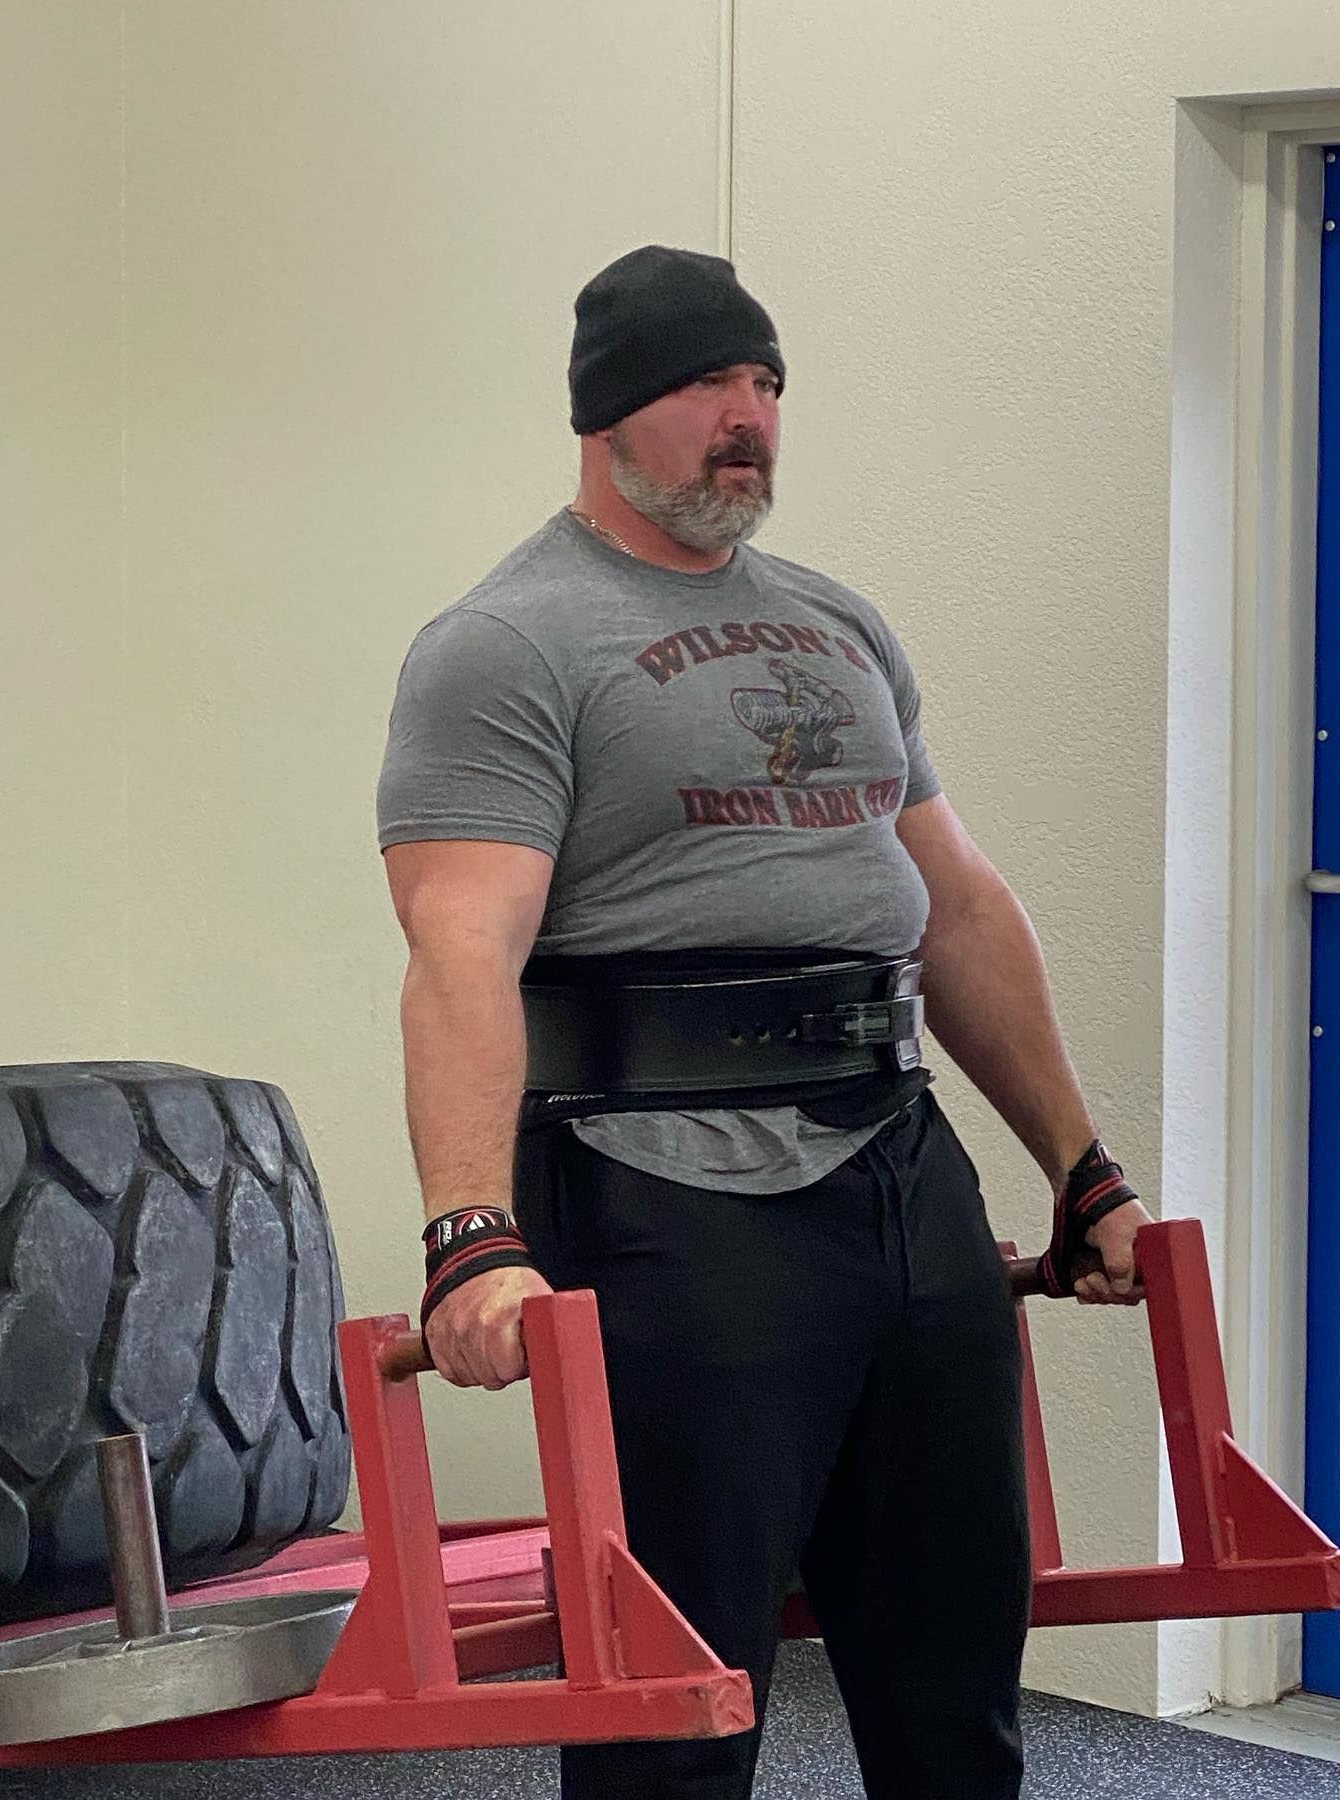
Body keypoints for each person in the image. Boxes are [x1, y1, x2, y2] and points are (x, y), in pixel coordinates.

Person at [376, 244, 1152, 1800]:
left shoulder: (839, 622)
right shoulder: (507, 642)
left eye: (769, 386)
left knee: (955, 1667)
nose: (750, 418)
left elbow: (964, 912)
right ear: (607, 417)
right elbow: (462, 947)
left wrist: (1080, 1171)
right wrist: (470, 1228)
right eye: (709, 385)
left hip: (901, 1169)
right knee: (682, 1691)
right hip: (665, 1194)